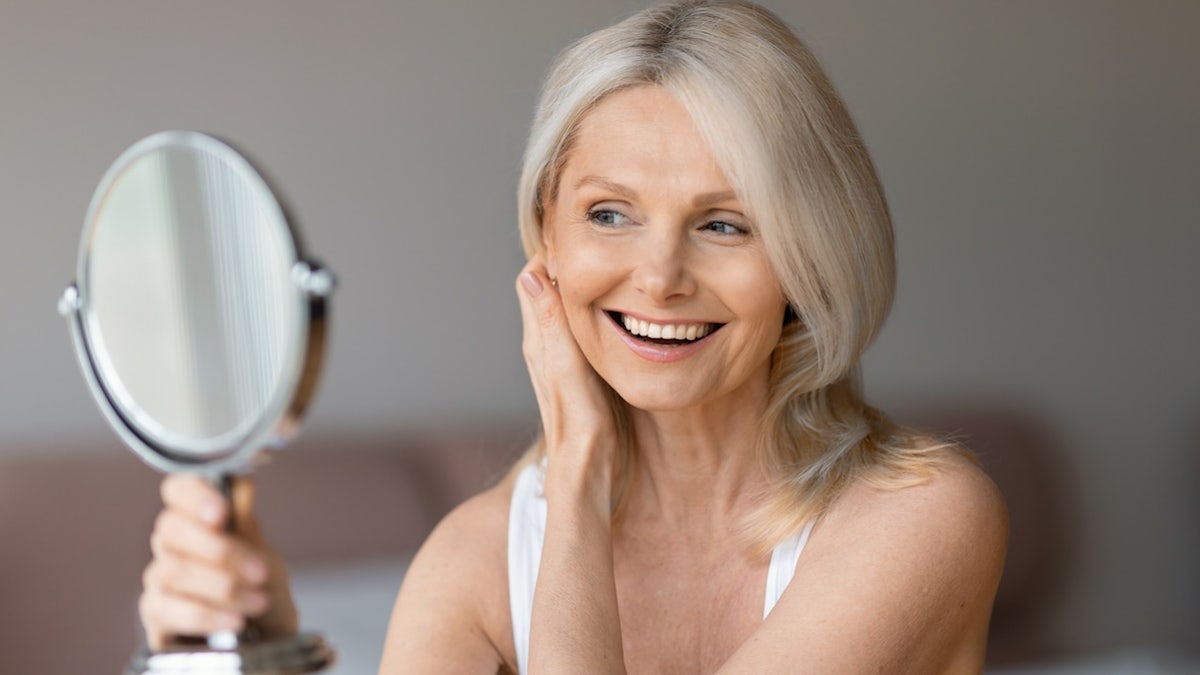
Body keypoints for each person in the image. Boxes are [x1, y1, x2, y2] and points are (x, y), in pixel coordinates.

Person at [139, 1, 1008, 672]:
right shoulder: (475, 560)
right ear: (545, 234)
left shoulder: (919, 516)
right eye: (609, 213)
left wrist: (583, 466)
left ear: (805, 255)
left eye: (726, 224)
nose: (661, 274)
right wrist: (269, 649)